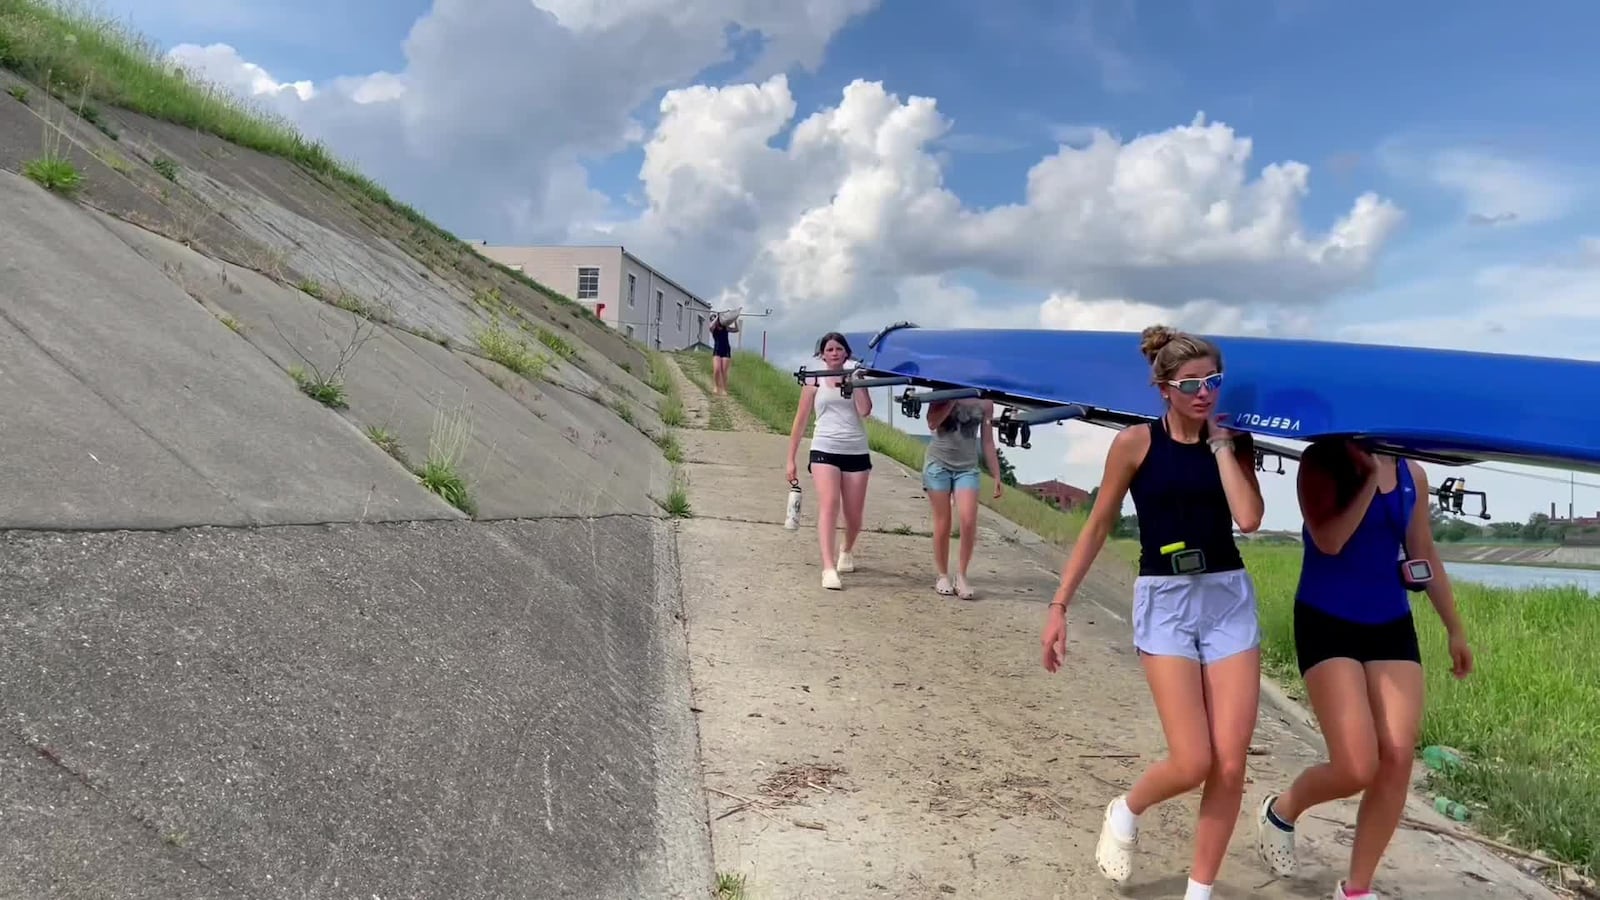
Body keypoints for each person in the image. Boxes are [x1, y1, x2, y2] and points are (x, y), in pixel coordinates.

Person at [1039, 325, 1265, 900]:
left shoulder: (1234, 443)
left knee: (1231, 766)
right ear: (1163, 388)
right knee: (1193, 761)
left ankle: (1199, 892)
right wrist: (1060, 604)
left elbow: (1249, 518)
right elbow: (1097, 524)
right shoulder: (1135, 444)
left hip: (1227, 599)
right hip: (1165, 601)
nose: (1204, 393)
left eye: (1213, 381)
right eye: (1191, 384)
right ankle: (1127, 807)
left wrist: (1220, 445)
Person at [1254, 439, 1473, 900]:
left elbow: (1422, 552)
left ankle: (1356, 890)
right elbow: (1329, 541)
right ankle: (1281, 810)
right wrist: (1371, 476)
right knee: (1356, 766)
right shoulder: (1320, 461)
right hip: (1325, 617)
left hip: (1389, 622)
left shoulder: (1413, 474)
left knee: (1397, 755)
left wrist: (1454, 628)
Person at [785, 332, 872, 590]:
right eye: (829, 349)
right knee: (829, 503)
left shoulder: (856, 376)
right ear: (822, 354)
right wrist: (790, 458)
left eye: (838, 349)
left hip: (855, 449)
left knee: (854, 516)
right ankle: (828, 567)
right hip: (824, 447)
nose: (834, 353)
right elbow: (800, 421)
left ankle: (847, 549)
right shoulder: (814, 379)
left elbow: (865, 411)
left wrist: (855, 382)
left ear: (846, 352)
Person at [923, 397, 1003, 599]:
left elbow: (987, 440)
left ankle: (962, 575)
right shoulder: (944, 390)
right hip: (938, 464)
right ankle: (942, 574)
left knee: (968, 520)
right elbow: (932, 423)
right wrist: (950, 400)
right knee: (943, 521)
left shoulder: (986, 403)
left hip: (967, 468)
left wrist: (996, 474)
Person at [709, 313, 739, 395]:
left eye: (715, 319)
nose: (715, 321)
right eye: (712, 319)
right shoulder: (713, 329)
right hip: (717, 350)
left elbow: (736, 329)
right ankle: (716, 386)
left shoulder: (725, 328)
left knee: (724, 371)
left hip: (726, 350)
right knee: (717, 369)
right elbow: (711, 326)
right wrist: (717, 317)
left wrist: (734, 319)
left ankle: (724, 389)